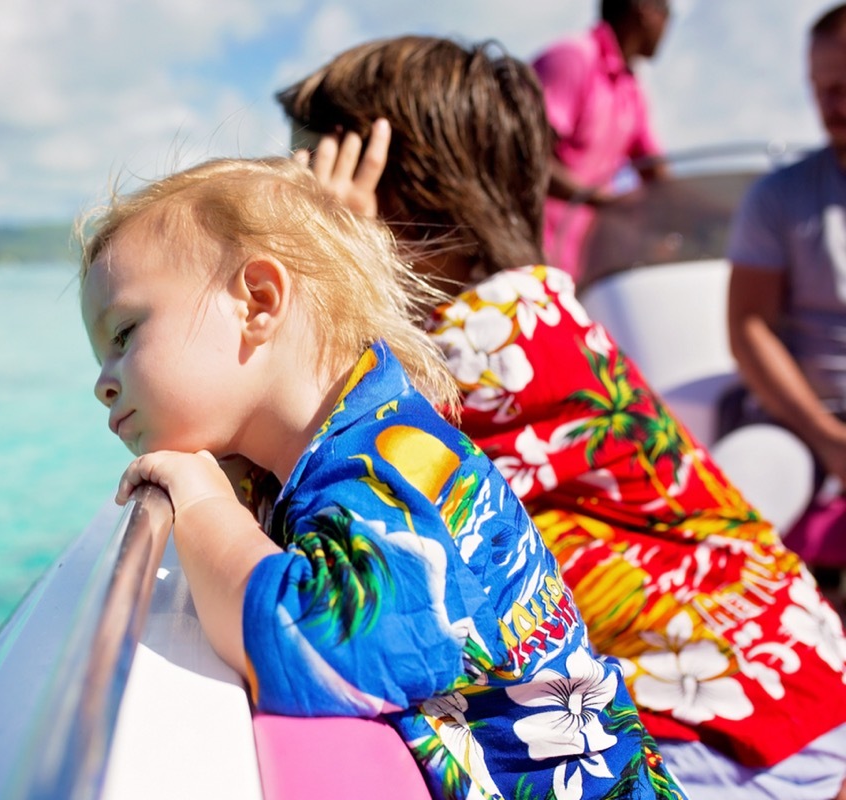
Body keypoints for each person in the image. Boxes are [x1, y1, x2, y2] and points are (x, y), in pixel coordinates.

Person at [279, 34, 846, 800]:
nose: (288, 224)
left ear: (392, 200)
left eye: (310, 196)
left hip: (730, 728)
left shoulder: (469, 352)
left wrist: (332, 275)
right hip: (796, 676)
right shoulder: (533, 312)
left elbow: (312, 467)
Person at [79, 156, 686, 800]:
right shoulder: (353, 439)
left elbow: (315, 642)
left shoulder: (391, 461)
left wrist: (202, 502)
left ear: (258, 302)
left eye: (124, 333)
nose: (102, 383)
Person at [727, 3, 846, 599]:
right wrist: (828, 437)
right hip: (802, 423)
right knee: (754, 481)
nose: (833, 107)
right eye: (822, 90)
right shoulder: (779, 198)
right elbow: (749, 330)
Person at [532, 0, 671, 278]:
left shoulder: (630, 90)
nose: (668, 26)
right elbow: (524, 158)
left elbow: (657, 174)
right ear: (646, 10)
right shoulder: (573, 58)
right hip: (527, 252)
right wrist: (605, 201)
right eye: (667, 13)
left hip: (577, 264)